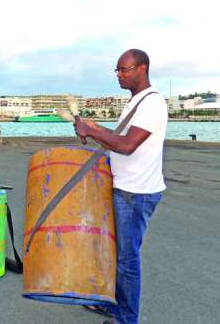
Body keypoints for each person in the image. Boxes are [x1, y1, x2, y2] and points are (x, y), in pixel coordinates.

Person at [74, 49, 168, 324]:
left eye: (124, 70)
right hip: (125, 187)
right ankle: (113, 303)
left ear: (142, 68)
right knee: (116, 252)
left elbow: (127, 146)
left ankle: (126, 318)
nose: (119, 75)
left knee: (127, 260)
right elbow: (119, 137)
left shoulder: (152, 104)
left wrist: (91, 131)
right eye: (116, 70)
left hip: (136, 193)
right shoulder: (136, 102)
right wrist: (93, 126)